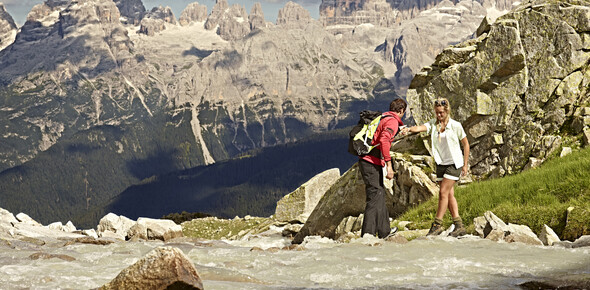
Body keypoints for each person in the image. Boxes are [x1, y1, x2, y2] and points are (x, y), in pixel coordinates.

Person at [401, 98, 469, 237]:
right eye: (437, 113)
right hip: (441, 164)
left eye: (441, 113)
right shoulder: (433, 124)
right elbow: (419, 128)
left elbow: (466, 144)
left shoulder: (455, 125)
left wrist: (465, 164)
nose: (439, 115)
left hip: (454, 163)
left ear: (447, 111)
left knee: (443, 193)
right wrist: (408, 130)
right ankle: (459, 225)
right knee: (449, 194)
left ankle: (437, 225)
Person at [359, 98, 407, 238]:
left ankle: (384, 231)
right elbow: (384, 140)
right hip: (371, 162)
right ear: (401, 111)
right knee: (375, 195)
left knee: (379, 193)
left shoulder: (384, 117)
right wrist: (389, 165)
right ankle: (367, 234)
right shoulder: (392, 121)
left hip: (368, 160)